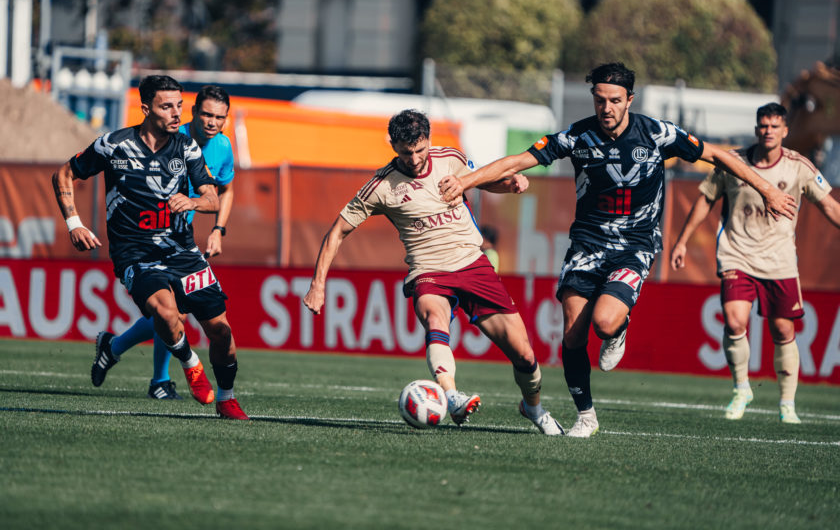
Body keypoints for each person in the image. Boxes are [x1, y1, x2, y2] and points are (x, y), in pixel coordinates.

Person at [438, 62, 796, 437]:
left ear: (629, 100)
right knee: (574, 335)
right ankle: (586, 416)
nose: (605, 108)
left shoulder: (657, 133)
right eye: (599, 100)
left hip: (634, 247)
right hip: (587, 245)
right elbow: (519, 160)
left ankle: (617, 331)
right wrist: (467, 180)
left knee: (604, 322)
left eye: (614, 100)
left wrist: (768, 190)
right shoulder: (577, 137)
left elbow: (720, 156)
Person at [303, 109, 564, 435]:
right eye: (405, 151)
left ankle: (534, 408)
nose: (413, 159)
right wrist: (318, 284)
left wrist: (508, 185)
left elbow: (481, 180)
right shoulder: (381, 186)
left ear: (429, 139)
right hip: (428, 271)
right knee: (434, 317)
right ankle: (451, 395)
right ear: (393, 144)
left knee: (524, 356)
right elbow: (337, 231)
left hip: (473, 264)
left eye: (420, 149)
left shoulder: (450, 157)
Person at [52, 75, 248, 420]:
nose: (176, 114)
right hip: (135, 253)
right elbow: (64, 174)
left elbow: (212, 197)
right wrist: (74, 223)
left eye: (179, 106)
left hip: (182, 251)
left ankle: (227, 398)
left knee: (222, 332)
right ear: (145, 108)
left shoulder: (186, 148)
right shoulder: (113, 145)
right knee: (167, 313)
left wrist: (193, 203)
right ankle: (187, 364)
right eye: (167, 106)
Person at [670, 102, 840, 424]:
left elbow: (830, 206)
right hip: (737, 253)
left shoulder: (798, 167)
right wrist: (681, 241)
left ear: (785, 131)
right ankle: (741, 389)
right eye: (763, 125)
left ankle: (787, 404)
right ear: (756, 128)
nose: (768, 131)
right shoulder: (731, 162)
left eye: (775, 126)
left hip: (779, 259)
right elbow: (706, 199)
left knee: (782, 329)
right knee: (735, 321)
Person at [98, 85, 236, 401]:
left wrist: (219, 229)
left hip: (181, 240)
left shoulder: (223, 146)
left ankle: (115, 347)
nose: (213, 123)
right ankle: (159, 379)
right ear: (193, 113)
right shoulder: (174, 136)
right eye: (206, 114)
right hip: (148, 241)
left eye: (220, 117)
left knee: (178, 315)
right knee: (169, 311)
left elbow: (225, 190)